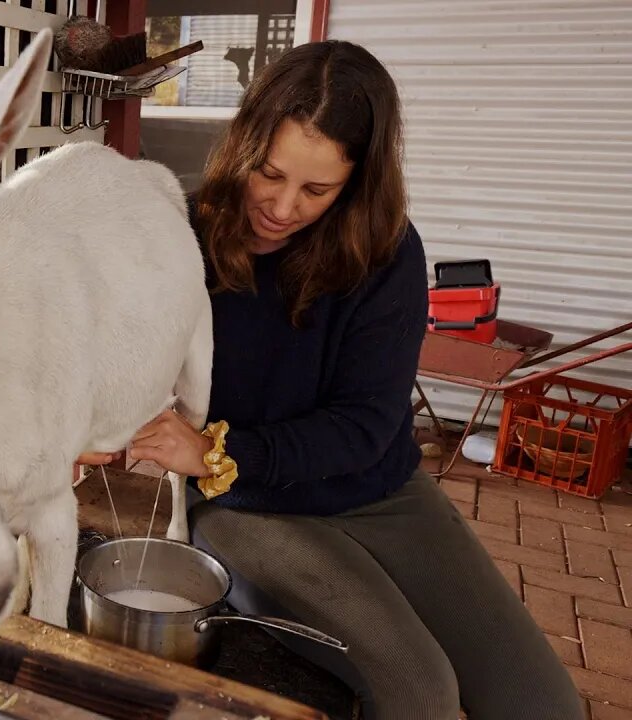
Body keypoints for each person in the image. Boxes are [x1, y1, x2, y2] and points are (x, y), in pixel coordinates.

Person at [79, 40, 583, 719]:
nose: (282, 208)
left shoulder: (386, 251)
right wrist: (90, 428)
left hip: (377, 492)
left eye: (316, 190)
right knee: (422, 690)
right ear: (242, 144)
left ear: (358, 182)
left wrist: (216, 448)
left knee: (541, 704)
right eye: (269, 173)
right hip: (244, 504)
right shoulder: (182, 231)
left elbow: (367, 425)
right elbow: (108, 355)